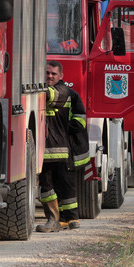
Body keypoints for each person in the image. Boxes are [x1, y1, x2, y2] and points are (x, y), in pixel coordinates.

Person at [37, 60, 90, 232]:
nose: (50, 76)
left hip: (59, 149)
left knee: (58, 185)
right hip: (47, 150)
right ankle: (66, 220)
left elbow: (80, 117)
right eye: (47, 73)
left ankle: (64, 219)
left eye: (53, 74)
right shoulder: (66, 92)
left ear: (61, 76)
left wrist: (67, 130)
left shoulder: (64, 91)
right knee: (53, 186)